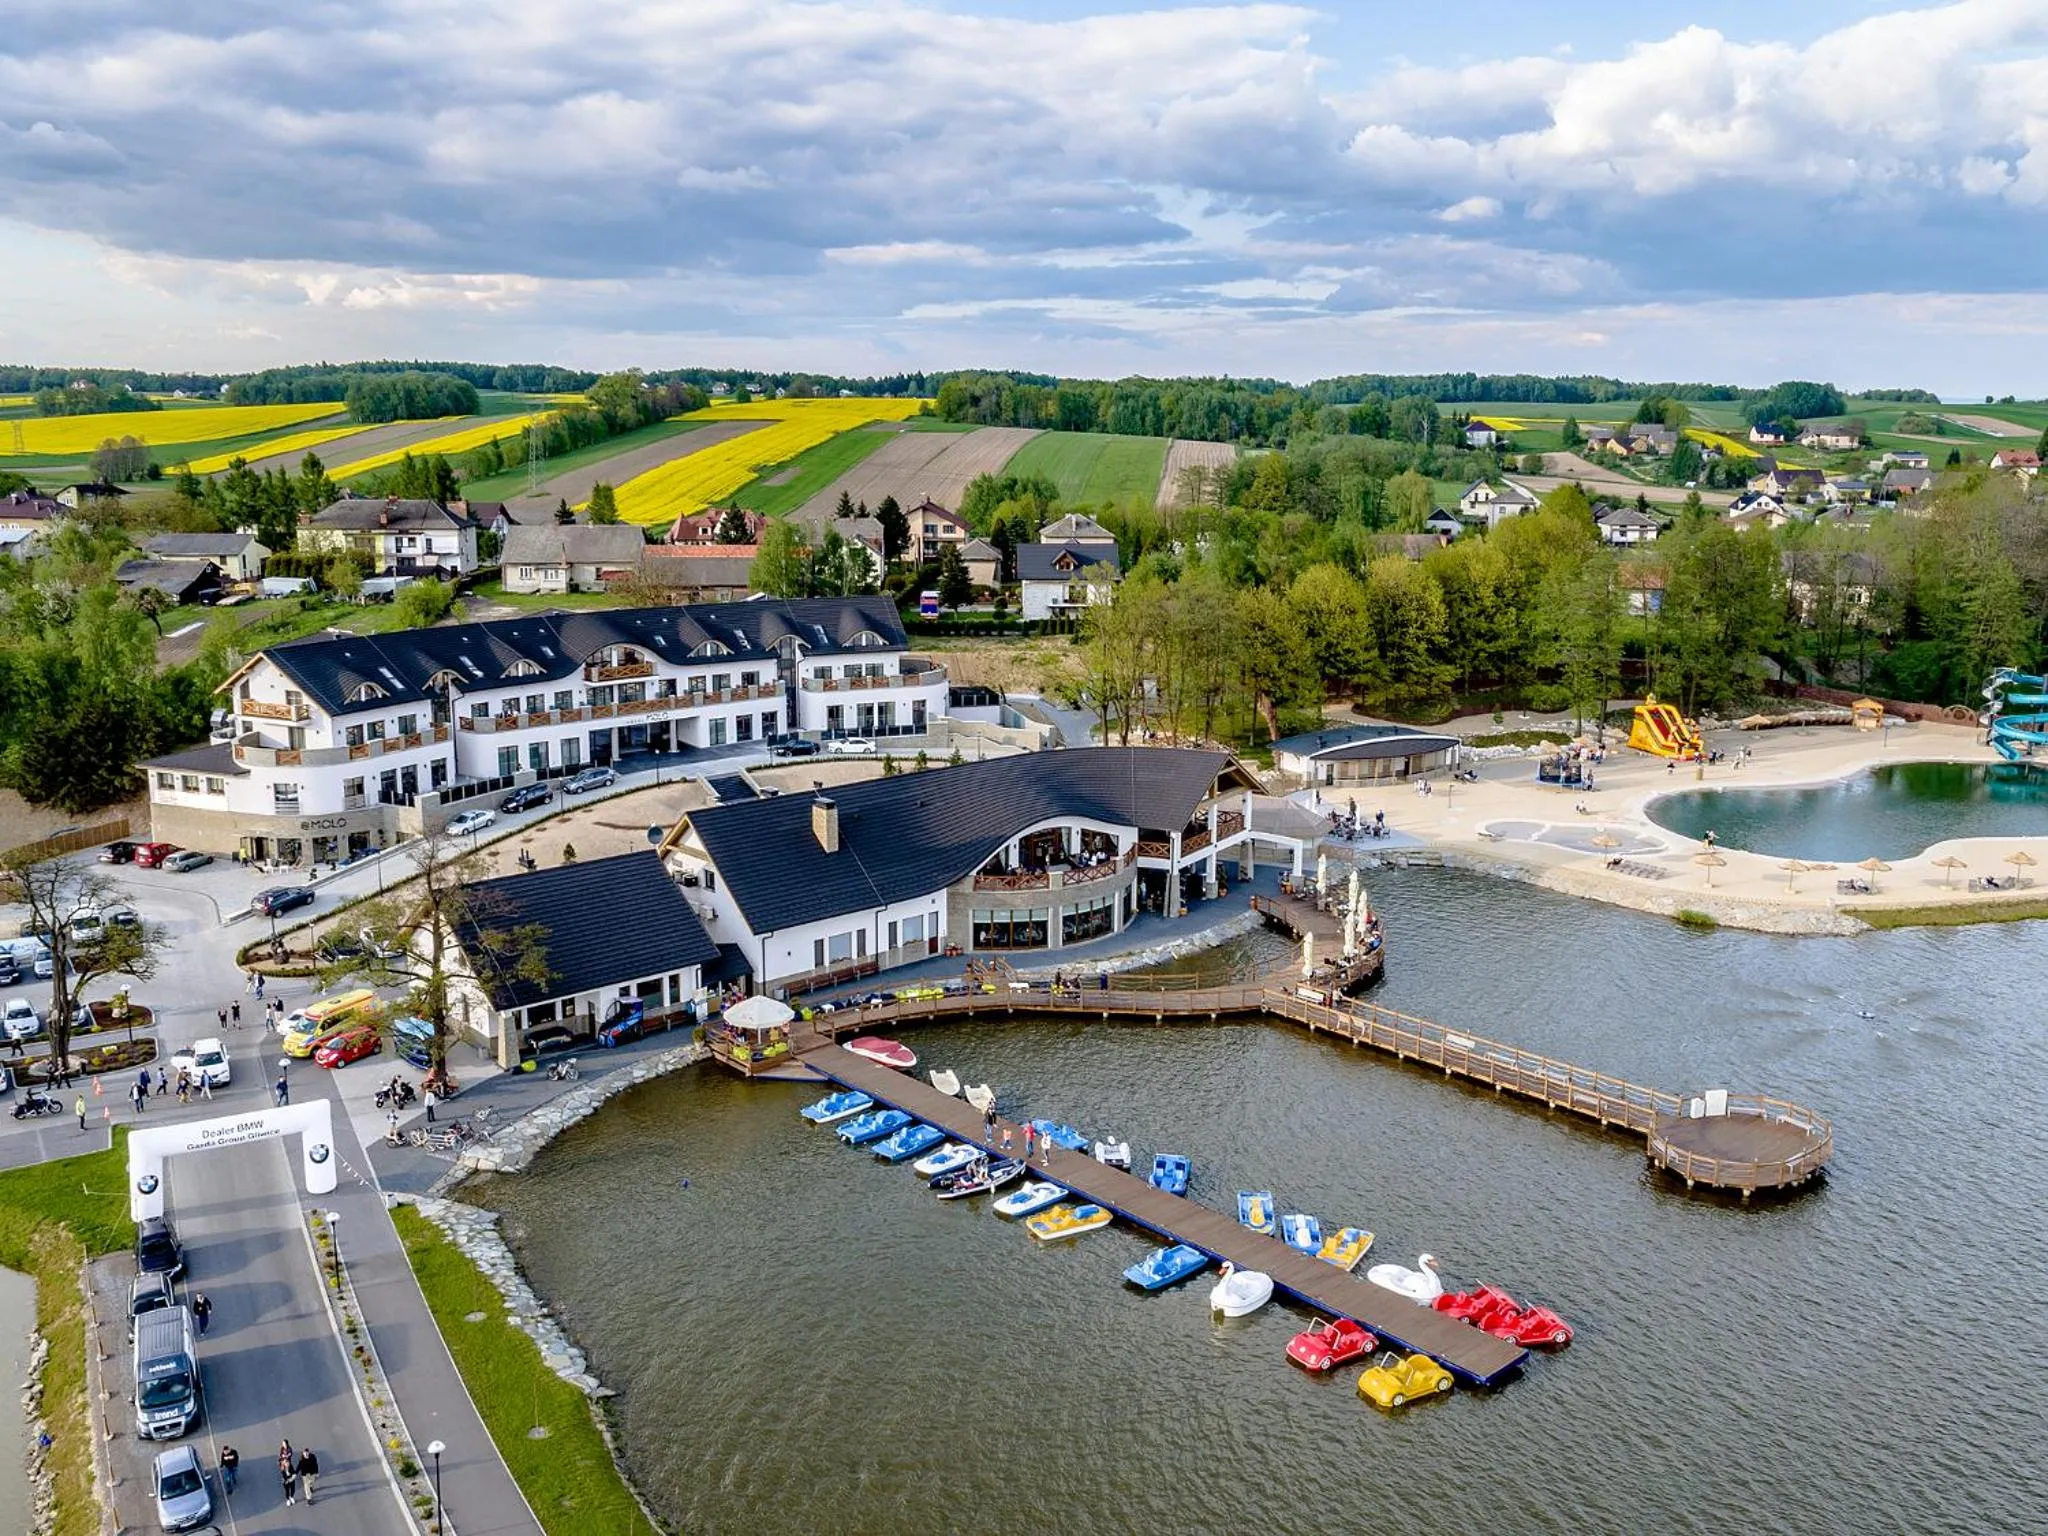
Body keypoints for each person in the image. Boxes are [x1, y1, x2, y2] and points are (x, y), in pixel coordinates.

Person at [278, 1440, 296, 1506]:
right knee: (287, 1490)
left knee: (293, 1489)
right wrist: (287, 1480)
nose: (287, 1464)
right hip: (286, 1481)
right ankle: (288, 1499)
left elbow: (294, 1472)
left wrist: (294, 1475)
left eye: (288, 1462)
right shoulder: (283, 1469)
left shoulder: (290, 1466)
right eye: (286, 1463)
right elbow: (284, 1476)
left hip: (291, 1479)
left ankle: (291, 1497)